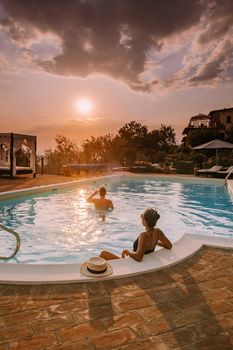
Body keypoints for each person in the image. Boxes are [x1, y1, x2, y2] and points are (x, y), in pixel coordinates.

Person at [100, 208, 172, 262]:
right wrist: (154, 242)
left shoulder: (144, 235)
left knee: (103, 254)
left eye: (142, 217)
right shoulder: (158, 232)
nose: (141, 217)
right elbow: (169, 245)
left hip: (132, 262)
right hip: (141, 261)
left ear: (145, 222)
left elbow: (138, 257)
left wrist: (126, 251)